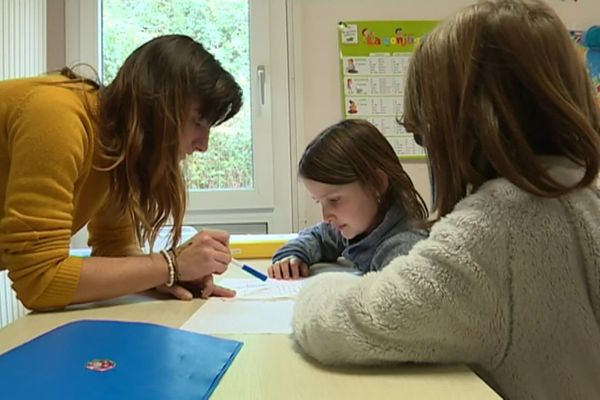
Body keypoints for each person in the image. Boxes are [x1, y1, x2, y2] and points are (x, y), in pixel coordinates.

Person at [292, 1, 600, 399]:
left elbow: (346, 323)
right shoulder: (585, 193)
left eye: (424, 134)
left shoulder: (496, 228)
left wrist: (311, 292)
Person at [0, 34, 243, 311]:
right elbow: (39, 281)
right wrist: (169, 265)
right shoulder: (58, 118)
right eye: (197, 123)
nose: (203, 145)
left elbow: (114, 246)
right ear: (158, 109)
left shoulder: (115, 146)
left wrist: (166, 275)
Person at [268, 119, 428, 280]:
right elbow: (318, 236)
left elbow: (392, 302)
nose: (326, 217)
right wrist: (293, 256)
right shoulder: (358, 226)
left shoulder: (404, 251)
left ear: (376, 183)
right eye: (319, 202)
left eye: (334, 200)